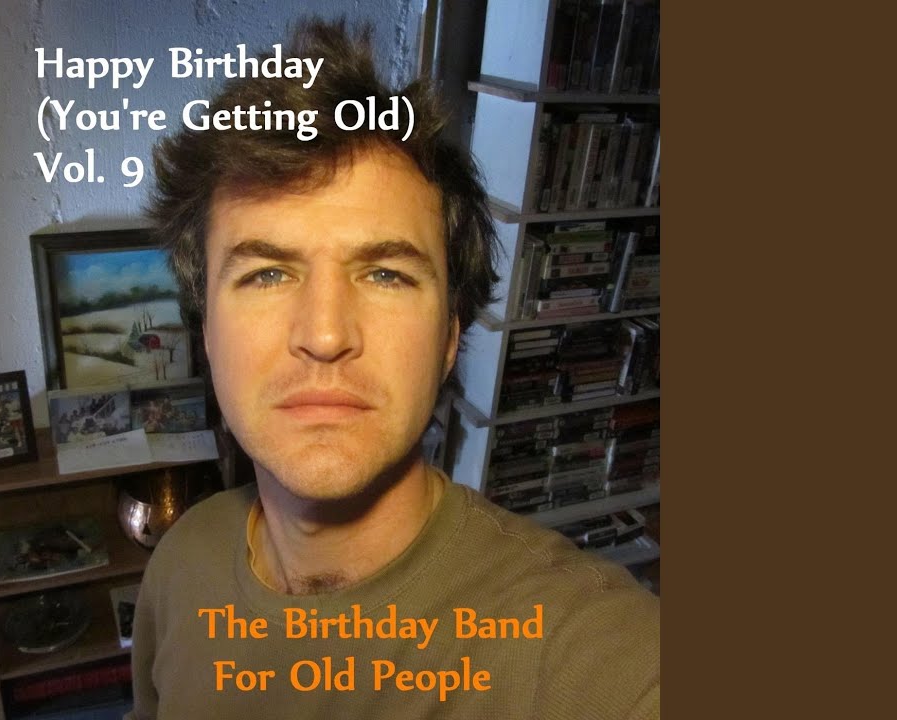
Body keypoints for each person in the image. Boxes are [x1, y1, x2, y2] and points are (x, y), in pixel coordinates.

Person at [127, 18, 658, 720]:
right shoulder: (178, 564)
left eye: (385, 274)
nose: (324, 335)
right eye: (265, 274)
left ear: (449, 336)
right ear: (205, 334)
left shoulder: (590, 655)